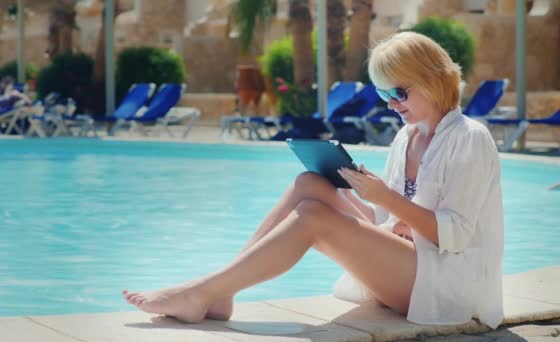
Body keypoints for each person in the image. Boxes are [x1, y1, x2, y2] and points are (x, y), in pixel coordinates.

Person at [122, 32, 504, 329]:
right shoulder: (408, 136)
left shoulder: (469, 138)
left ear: (433, 79)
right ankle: (222, 293)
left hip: (443, 283)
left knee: (313, 218)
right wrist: (388, 210)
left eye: (399, 92)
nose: (390, 103)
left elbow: (454, 235)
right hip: (408, 262)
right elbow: (397, 220)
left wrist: (386, 198)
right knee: (309, 184)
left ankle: (200, 294)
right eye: (383, 93)